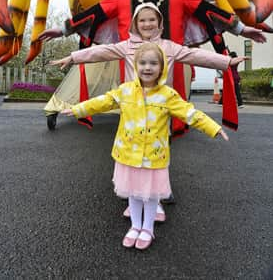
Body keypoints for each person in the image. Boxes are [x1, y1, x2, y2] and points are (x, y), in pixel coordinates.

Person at [39, 0, 266, 134]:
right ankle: (131, 141)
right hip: (132, 55)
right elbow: (96, 13)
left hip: (168, 55)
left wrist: (241, 29)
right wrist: (63, 30)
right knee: (131, 102)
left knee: (165, 104)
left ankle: (163, 137)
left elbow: (205, 9)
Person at [49, 2, 248, 220]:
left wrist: (227, 61)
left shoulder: (169, 47)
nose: (147, 24)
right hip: (132, 112)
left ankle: (156, 201)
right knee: (132, 158)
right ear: (135, 23)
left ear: (160, 23)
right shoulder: (126, 46)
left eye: (152, 19)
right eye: (142, 20)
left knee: (156, 158)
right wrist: (73, 57)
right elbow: (100, 52)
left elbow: (195, 55)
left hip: (160, 109)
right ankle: (134, 198)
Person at [61, 42, 230, 250]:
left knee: (150, 196)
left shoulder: (168, 95)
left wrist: (213, 127)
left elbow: (190, 113)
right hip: (128, 154)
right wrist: (78, 109)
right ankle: (135, 226)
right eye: (142, 63)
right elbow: (102, 101)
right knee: (132, 192)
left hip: (153, 156)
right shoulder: (125, 91)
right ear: (135, 65)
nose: (147, 67)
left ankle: (147, 228)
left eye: (153, 63)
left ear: (162, 67)